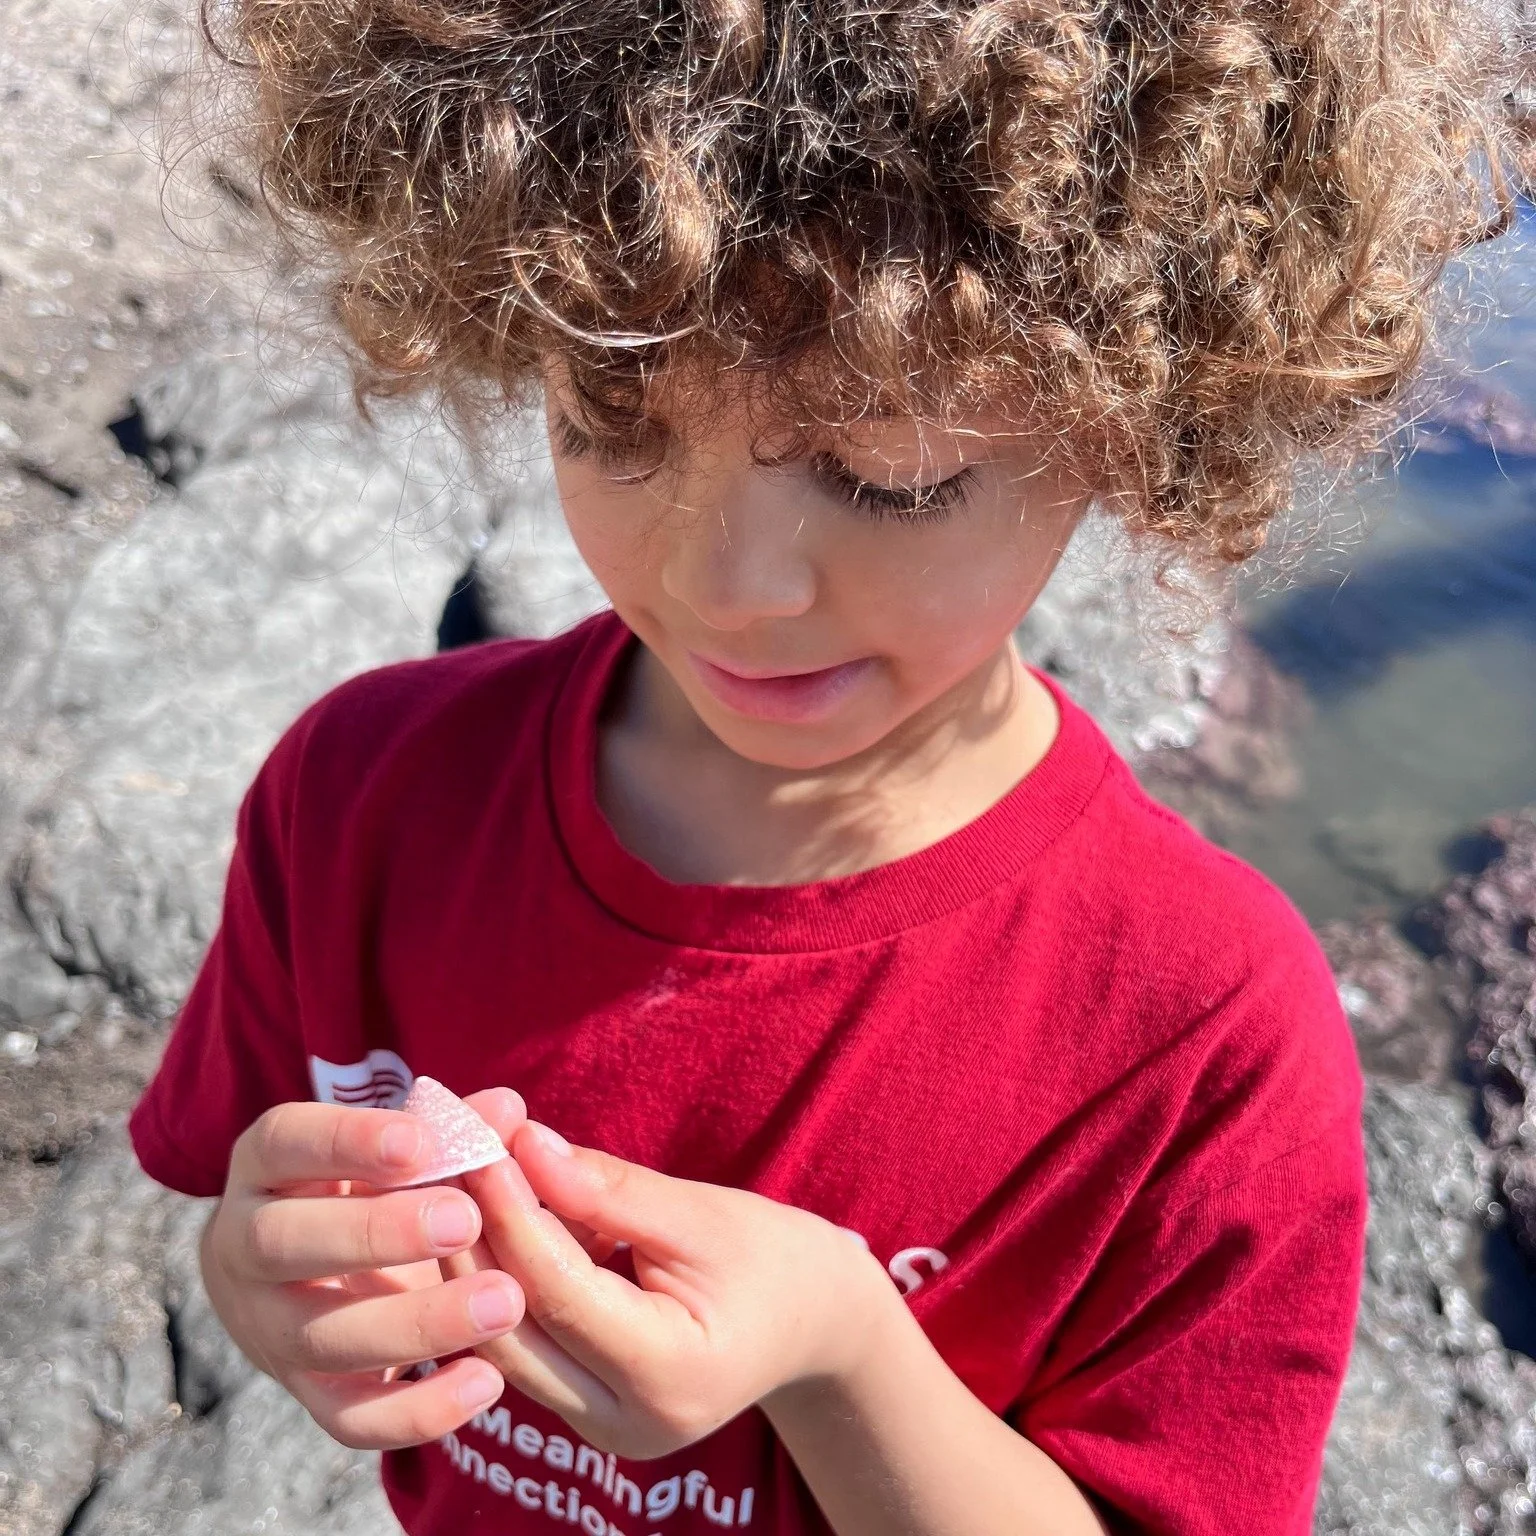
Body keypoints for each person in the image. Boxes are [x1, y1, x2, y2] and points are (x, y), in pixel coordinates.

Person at [129, 0, 1530, 1531]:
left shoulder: (1203, 1031)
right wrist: (267, 1287)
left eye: (888, 476)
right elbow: (248, 1216)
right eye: (617, 413)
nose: (733, 587)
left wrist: (839, 1354)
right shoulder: (360, 796)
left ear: (1142, 422)